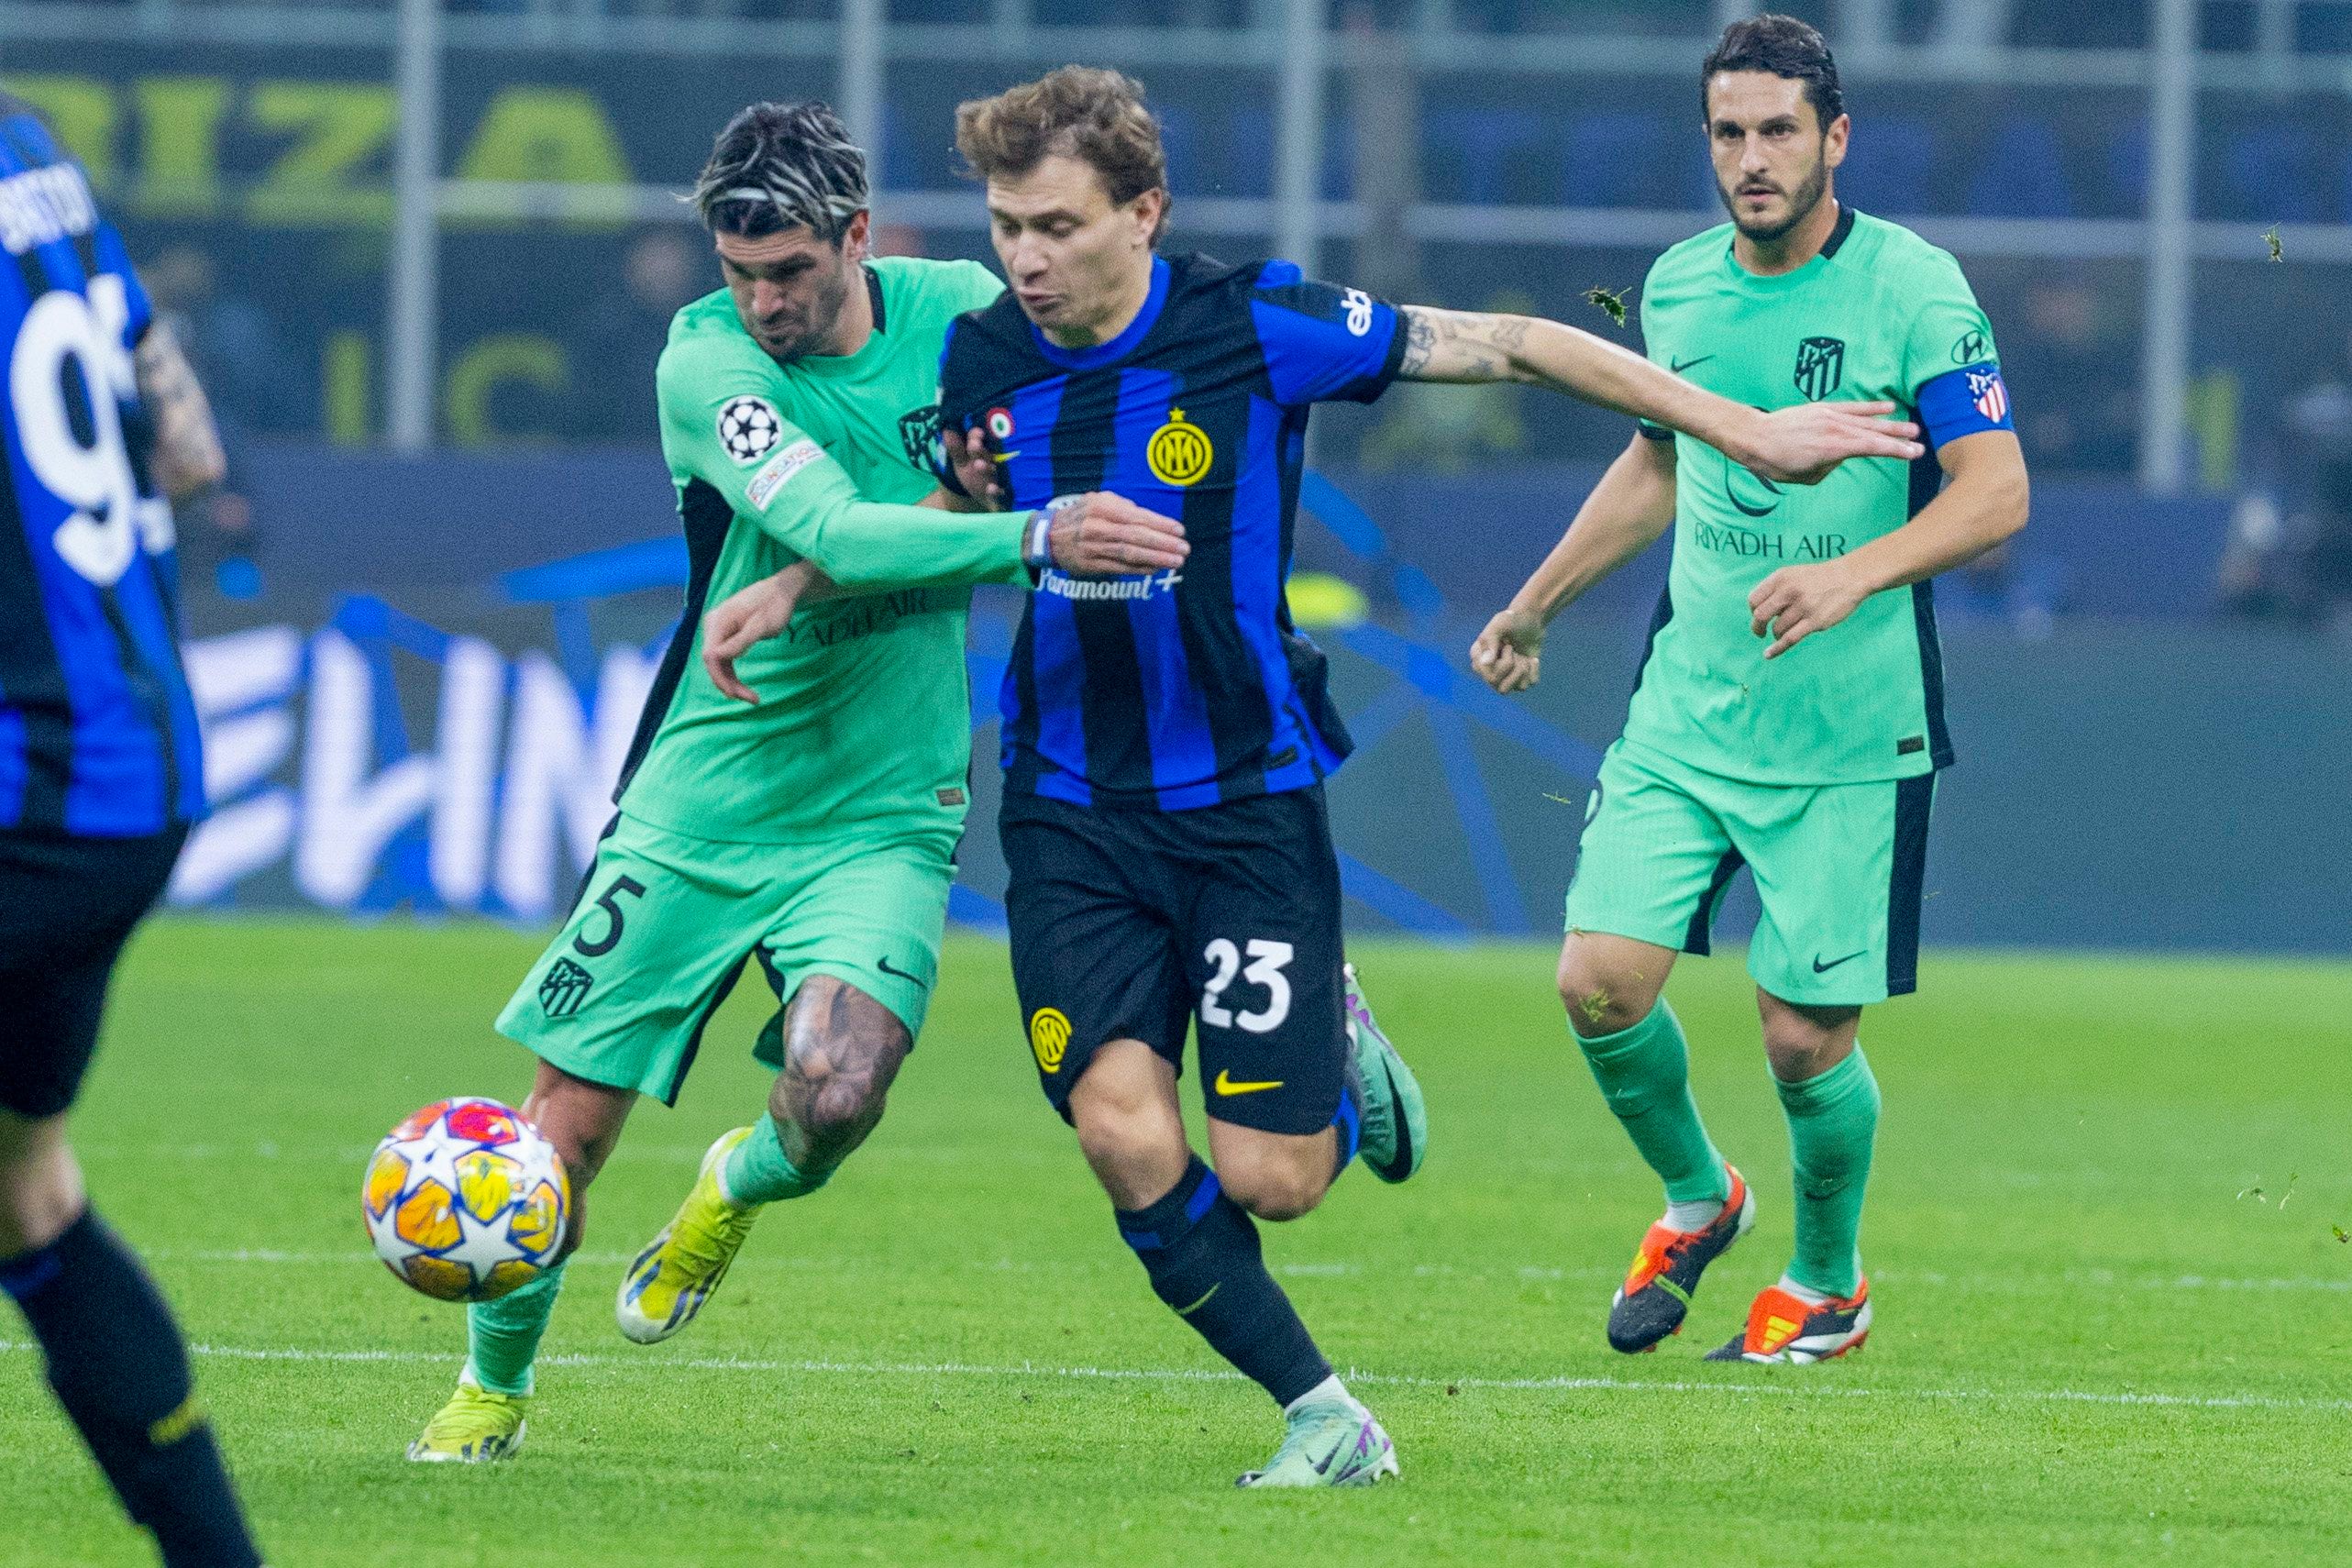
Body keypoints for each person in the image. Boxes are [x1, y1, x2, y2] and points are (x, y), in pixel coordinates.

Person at [915, 64, 1919, 1487]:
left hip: (1247, 800)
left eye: (1057, 224)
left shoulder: (1257, 322)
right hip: (1067, 808)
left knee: (1277, 1177)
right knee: (1118, 1128)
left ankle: (1332, 1021)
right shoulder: (978, 362)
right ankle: (1324, 1415)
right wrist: (805, 574)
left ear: (1142, 213)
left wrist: (1739, 432)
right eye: (1008, 223)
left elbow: (1511, 342)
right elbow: (944, 514)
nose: (1025, 256)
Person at [404, 101, 1186, 1463]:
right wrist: (1028, 527)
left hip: (884, 804)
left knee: (835, 1094)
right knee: (556, 1141)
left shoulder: (959, 310)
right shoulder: (702, 364)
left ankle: (730, 1184)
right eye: (739, 271)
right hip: (706, 794)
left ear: (856, 238)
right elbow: (830, 520)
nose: (762, 299)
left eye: (789, 271)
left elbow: (1117, 346)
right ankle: (494, 1391)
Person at [1470, 15, 2030, 1365]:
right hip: (1690, 707)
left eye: (1778, 130)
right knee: (1596, 980)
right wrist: (1536, 601)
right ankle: (1695, 1193)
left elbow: (1995, 493)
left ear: (1834, 138)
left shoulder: (1915, 288)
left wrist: (1853, 574)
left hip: (1847, 728)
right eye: (1728, 132)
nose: (1751, 158)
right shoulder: (1678, 287)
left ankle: (1826, 1285)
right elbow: (1661, 466)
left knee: (1798, 1038)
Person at [0, 92, 268, 1568]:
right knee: (26, 1190)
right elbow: (181, 442)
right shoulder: (27, 151)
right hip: (134, 765)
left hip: (28, 788)